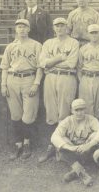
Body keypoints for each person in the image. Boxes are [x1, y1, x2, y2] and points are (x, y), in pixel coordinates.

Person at [0, 19, 43, 160]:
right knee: (16, 115)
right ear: (16, 30)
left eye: (24, 27)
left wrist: (36, 83)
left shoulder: (36, 45)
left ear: (29, 29)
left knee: (28, 115)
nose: (22, 29)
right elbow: (5, 67)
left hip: (29, 78)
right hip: (12, 79)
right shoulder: (10, 46)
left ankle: (27, 144)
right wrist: (3, 85)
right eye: (19, 27)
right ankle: (18, 145)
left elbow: (40, 67)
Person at [38, 17, 79, 163]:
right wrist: (60, 58)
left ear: (67, 27)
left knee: (64, 112)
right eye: (57, 25)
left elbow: (71, 63)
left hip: (67, 78)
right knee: (51, 112)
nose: (59, 28)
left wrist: (52, 62)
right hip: (50, 78)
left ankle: (62, 149)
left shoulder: (73, 42)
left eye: (62, 25)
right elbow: (43, 63)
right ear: (53, 28)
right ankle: (52, 147)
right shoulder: (48, 43)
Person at [51, 99, 99, 186]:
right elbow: (54, 136)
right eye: (76, 110)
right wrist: (70, 147)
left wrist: (89, 145)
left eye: (82, 109)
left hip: (86, 150)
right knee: (62, 142)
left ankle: (75, 170)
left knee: (96, 135)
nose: (79, 113)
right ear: (72, 111)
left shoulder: (91, 119)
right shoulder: (67, 120)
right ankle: (82, 173)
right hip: (72, 150)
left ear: (85, 110)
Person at [77, 24, 99, 122]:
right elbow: (79, 67)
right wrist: (81, 80)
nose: (94, 35)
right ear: (88, 34)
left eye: (96, 32)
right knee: (85, 104)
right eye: (92, 33)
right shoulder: (83, 49)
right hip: (86, 77)